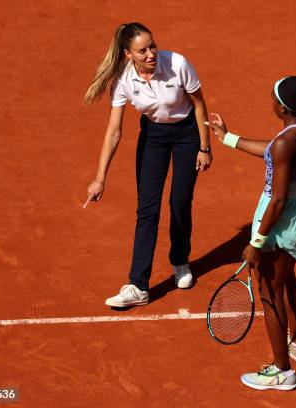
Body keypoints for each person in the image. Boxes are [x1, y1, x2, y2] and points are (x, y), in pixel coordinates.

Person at [206, 76, 296, 390]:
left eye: (272, 98)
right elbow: (273, 151)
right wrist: (228, 137)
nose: (269, 101)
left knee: (269, 292)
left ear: (283, 107)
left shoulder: (287, 141)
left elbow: (278, 199)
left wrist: (256, 242)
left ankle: (282, 371)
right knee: (285, 279)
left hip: (282, 217)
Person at [83, 22, 213, 307]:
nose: (152, 53)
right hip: (153, 137)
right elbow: (114, 130)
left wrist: (204, 147)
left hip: (187, 135)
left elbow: (200, 104)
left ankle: (180, 261)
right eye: (142, 51)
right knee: (147, 210)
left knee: (180, 203)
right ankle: (138, 285)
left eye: (152, 46)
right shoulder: (123, 80)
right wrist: (100, 177)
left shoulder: (177, 63)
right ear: (128, 54)